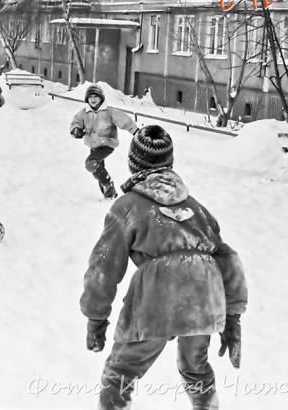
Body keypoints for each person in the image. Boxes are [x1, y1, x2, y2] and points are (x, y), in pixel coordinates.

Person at [80, 125, 248, 410]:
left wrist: (96, 317)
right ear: (169, 164)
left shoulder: (128, 206)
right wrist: (232, 316)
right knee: (195, 368)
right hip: (203, 295)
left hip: (159, 295)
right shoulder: (196, 208)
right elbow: (227, 258)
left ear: (133, 164)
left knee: (121, 372)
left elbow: (104, 265)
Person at [69, 84, 138, 199]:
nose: (93, 99)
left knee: (91, 164)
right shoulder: (84, 113)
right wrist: (76, 130)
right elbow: (76, 122)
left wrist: (135, 131)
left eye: (96, 96)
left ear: (101, 98)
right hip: (94, 145)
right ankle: (110, 195)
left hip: (107, 144)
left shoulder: (109, 112)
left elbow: (124, 120)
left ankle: (109, 185)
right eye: (90, 97)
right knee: (97, 170)